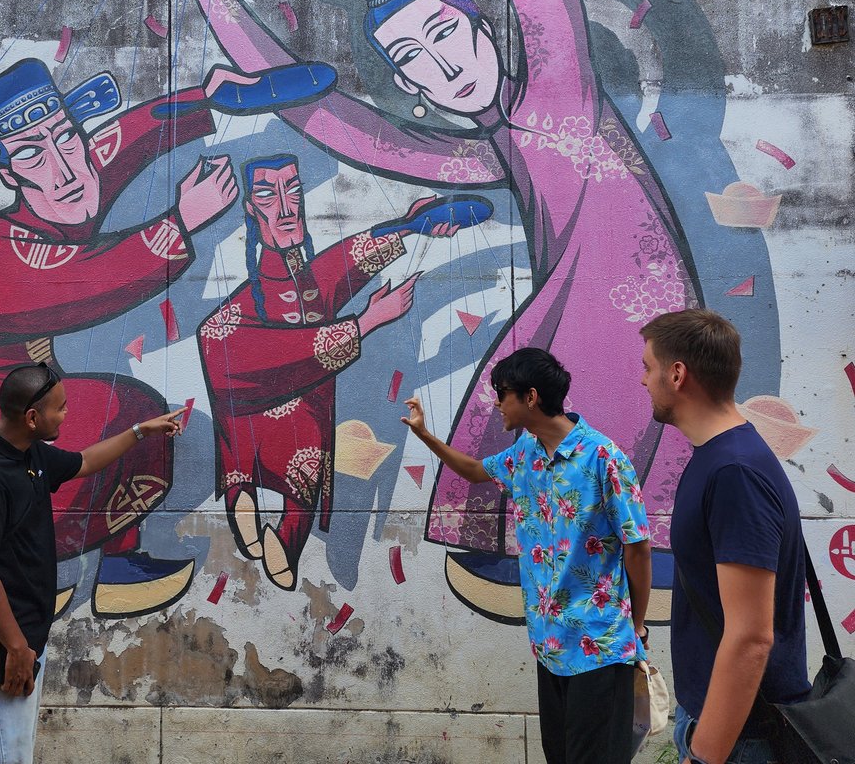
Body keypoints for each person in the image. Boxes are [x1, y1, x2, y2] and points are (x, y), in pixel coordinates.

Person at [134, 0, 705, 619]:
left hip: (624, 311)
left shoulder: (559, 86)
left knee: (531, 391)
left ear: (481, 23)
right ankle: (563, 552)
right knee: (515, 395)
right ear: (414, 88)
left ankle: (615, 554)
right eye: (413, 62)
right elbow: (336, 120)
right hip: (583, 313)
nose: (442, 67)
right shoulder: (490, 148)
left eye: (444, 34)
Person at [0, 56, 248, 616]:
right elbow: (95, 280)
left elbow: (118, 144)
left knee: (130, 417)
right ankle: (39, 571)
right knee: (114, 421)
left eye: (67, 141)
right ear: (8, 175)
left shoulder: (66, 176)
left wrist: (207, 99)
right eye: (31, 155)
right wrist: (183, 220)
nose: (65, 170)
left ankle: (111, 566)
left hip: (2, 407)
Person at [198, 153, 462, 589]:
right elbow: (234, 342)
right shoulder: (257, 293)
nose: (285, 207)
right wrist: (369, 321)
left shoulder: (311, 277)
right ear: (250, 207)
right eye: (267, 193)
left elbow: (344, 263)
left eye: (293, 190)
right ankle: (242, 487)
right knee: (239, 354)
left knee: (308, 407)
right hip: (241, 350)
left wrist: (408, 225)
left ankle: (273, 517)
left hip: (299, 361)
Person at [402, 347, 652, 764]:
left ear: (530, 397)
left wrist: (638, 625)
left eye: (502, 392)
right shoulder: (525, 455)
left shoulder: (603, 457)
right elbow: (475, 470)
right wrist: (424, 435)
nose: (496, 402)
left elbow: (637, 546)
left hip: (601, 645)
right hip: (550, 644)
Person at [0, 362, 185, 764]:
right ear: (33, 417)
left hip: (19, 645)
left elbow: (84, 462)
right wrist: (16, 647)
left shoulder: (28, 453)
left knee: (10, 756)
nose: (67, 414)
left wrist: (141, 431)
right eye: (61, 408)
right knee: (3, 759)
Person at [639, 309, 809, 764]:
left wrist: (704, 754)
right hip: (726, 729)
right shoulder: (724, 457)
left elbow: (752, 636)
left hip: (739, 741)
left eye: (648, 367)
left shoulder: (734, 472)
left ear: (677, 374)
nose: (643, 381)